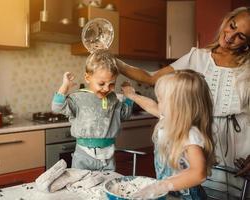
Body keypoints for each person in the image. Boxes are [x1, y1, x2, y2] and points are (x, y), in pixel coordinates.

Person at [117, 7, 250, 198]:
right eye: (232, 26)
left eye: (241, 36)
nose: (230, 37)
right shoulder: (197, 57)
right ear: (227, 20)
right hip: (205, 143)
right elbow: (150, 79)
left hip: (240, 151)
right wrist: (116, 64)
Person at [121, 69, 215, 199]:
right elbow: (150, 106)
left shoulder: (189, 134)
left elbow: (199, 173)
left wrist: (161, 186)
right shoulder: (168, 120)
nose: (158, 102)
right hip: (169, 194)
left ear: (177, 105)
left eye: (161, 99)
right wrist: (132, 95)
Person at [51, 49, 133, 171]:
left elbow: (124, 115)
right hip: (83, 156)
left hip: (108, 156)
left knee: (105, 187)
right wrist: (65, 86)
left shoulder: (113, 98)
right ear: (87, 78)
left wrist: (129, 96)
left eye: (111, 84)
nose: (106, 88)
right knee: (80, 187)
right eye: (101, 83)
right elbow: (56, 107)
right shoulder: (78, 98)